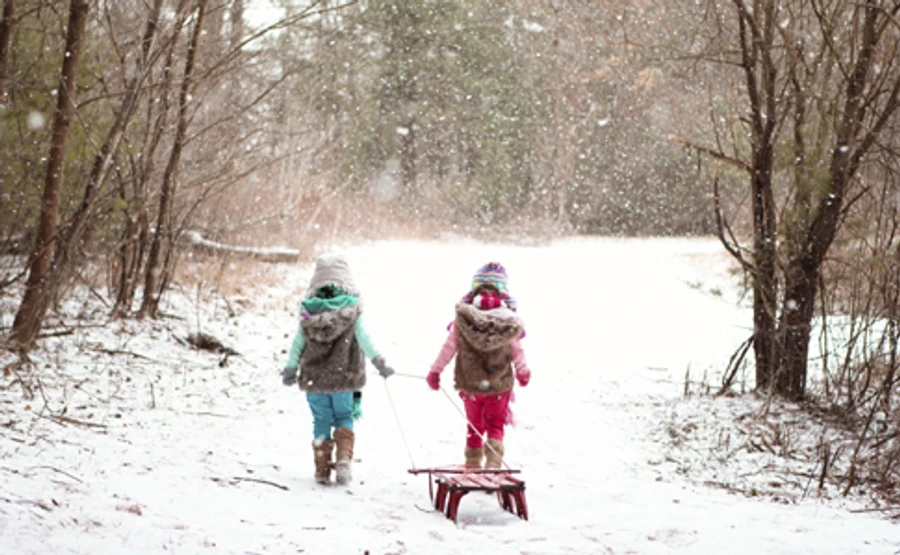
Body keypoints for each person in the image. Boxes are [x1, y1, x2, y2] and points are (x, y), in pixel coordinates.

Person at [282, 254, 395, 485]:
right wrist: (379, 362)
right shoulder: (352, 313)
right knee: (344, 417)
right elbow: (365, 339)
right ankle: (343, 460)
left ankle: (322, 468)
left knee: (321, 420)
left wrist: (290, 369)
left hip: (315, 380)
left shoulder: (308, 314)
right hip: (345, 378)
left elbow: (297, 345)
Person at [426, 262, 531, 469]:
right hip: (499, 385)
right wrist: (523, 371)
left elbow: (449, 347)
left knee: (474, 427)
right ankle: (493, 462)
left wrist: (435, 371)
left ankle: (472, 463)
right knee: (495, 425)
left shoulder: (464, 318)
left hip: (471, 384)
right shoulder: (509, 320)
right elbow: (517, 349)